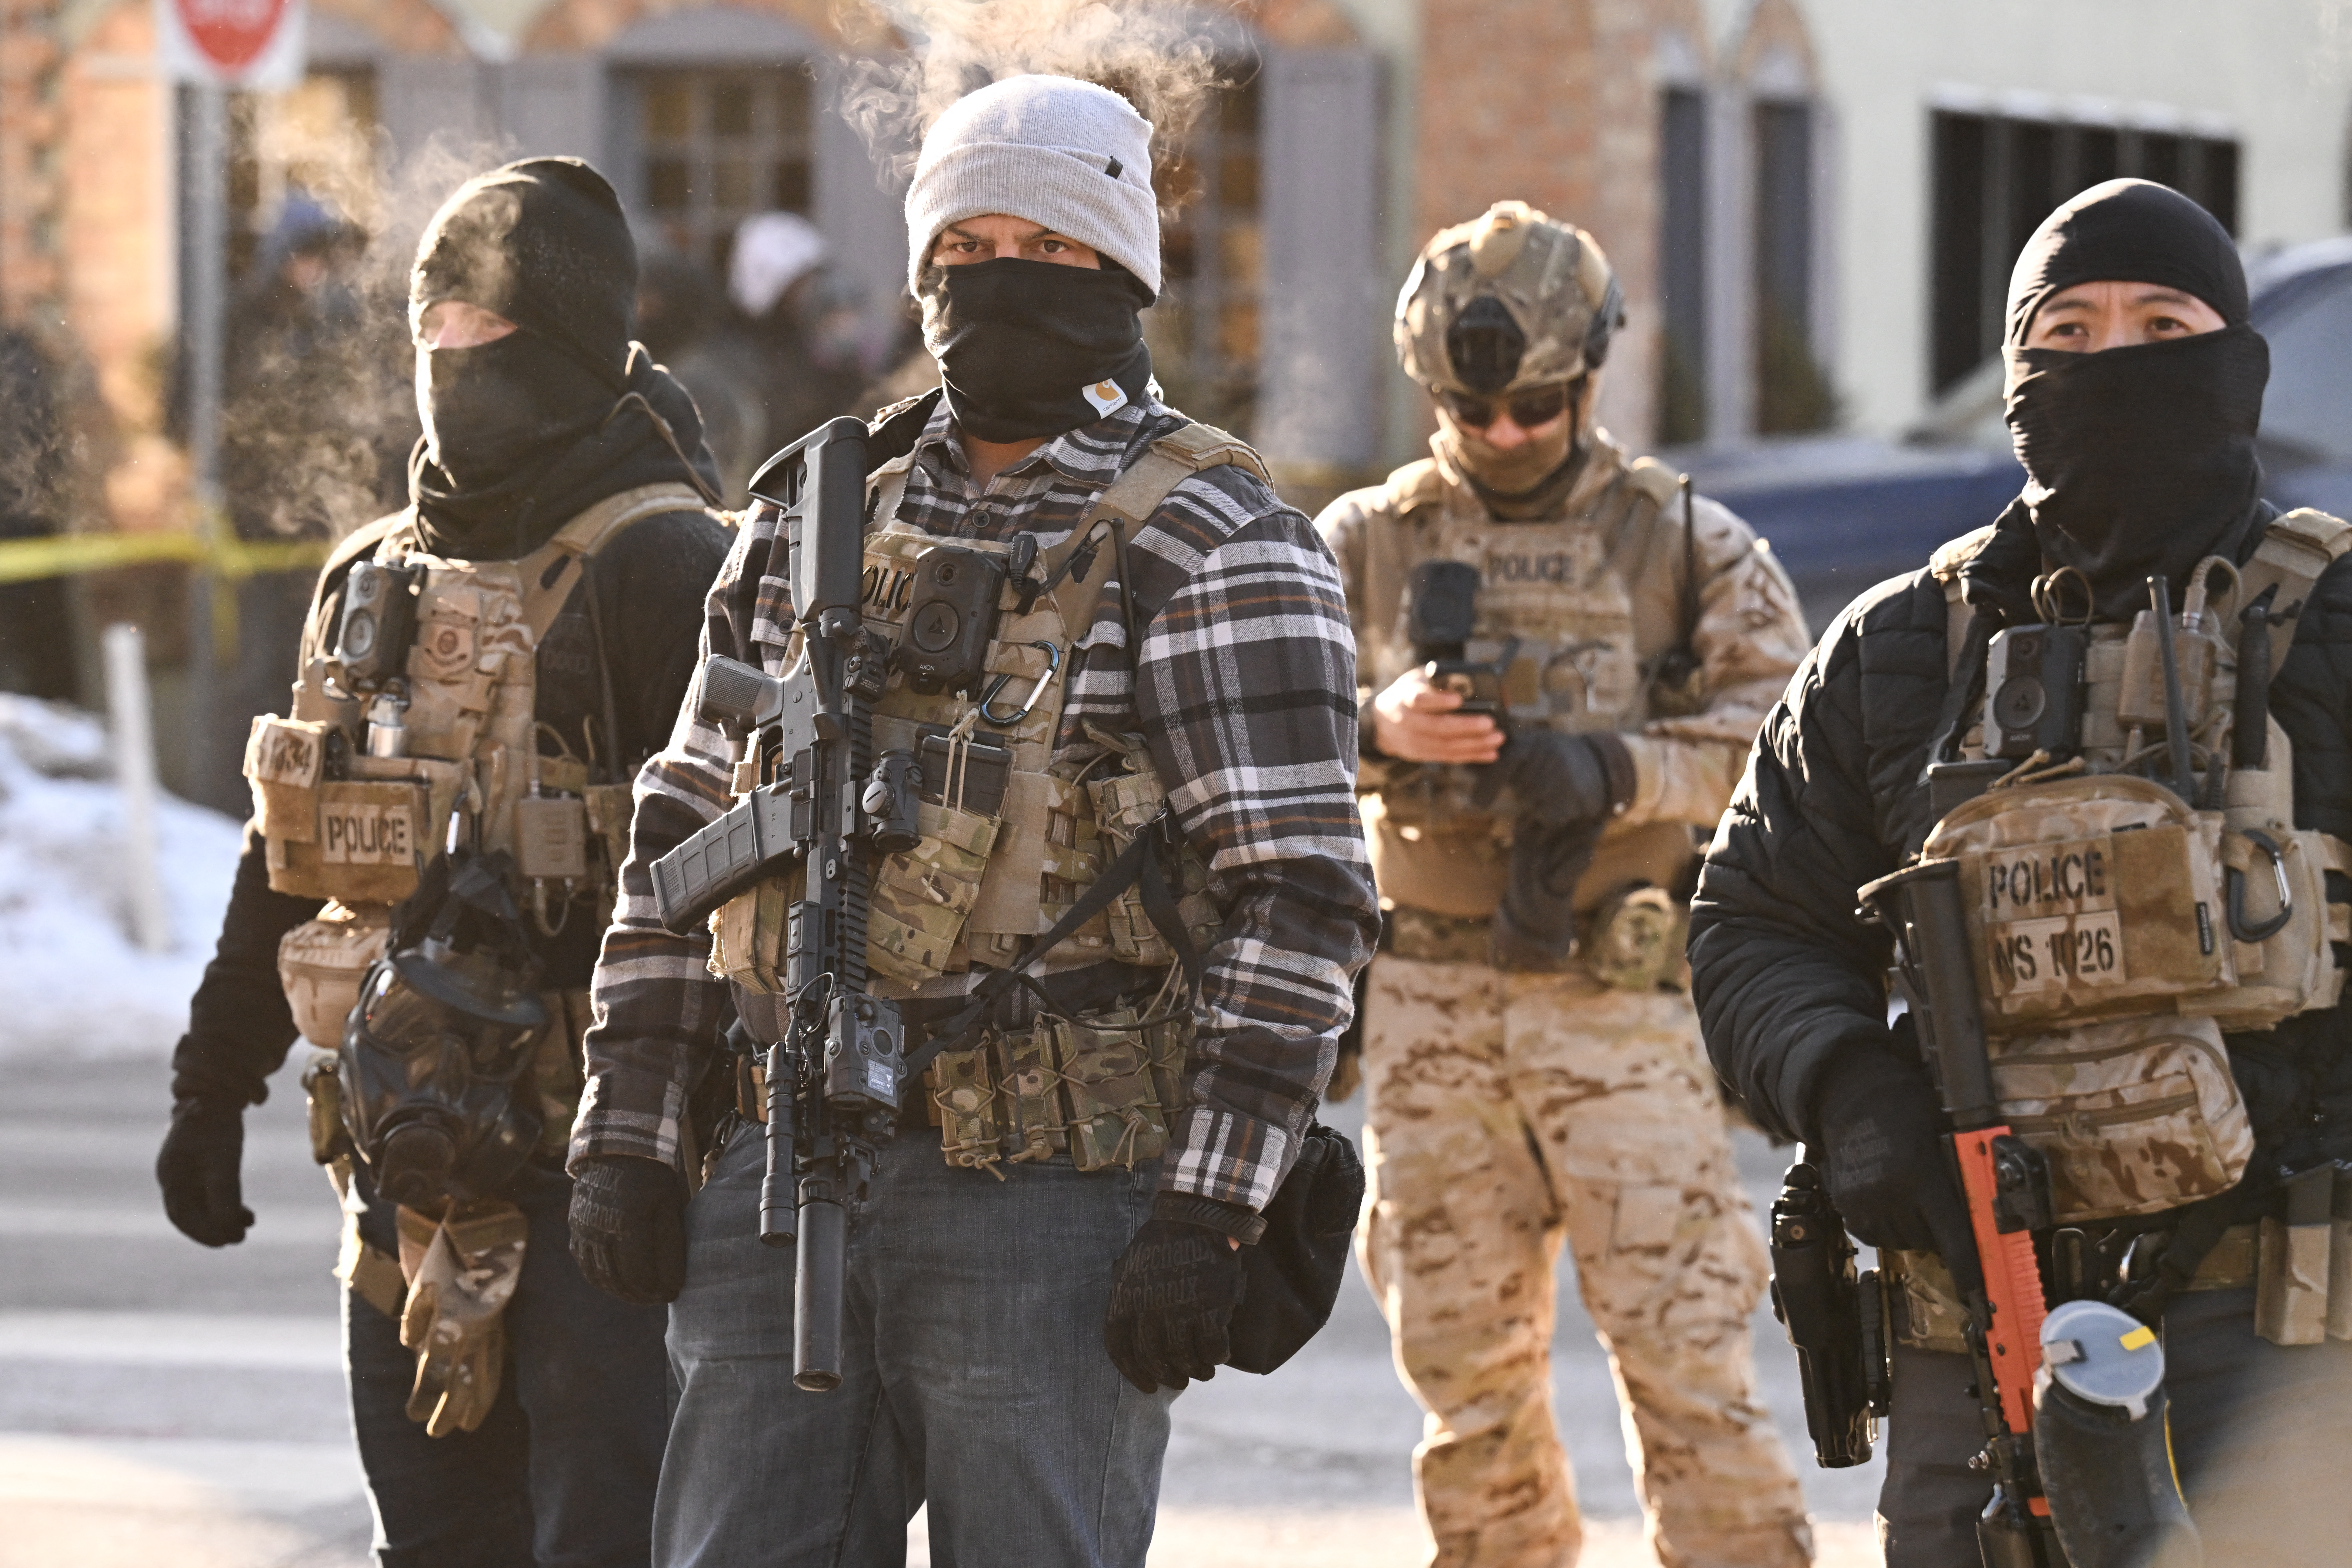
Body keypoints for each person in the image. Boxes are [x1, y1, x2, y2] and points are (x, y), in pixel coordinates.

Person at [564, 74, 1378, 1568]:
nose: (1000, 279)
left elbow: (1302, 899)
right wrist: (630, 1124)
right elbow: (683, 823)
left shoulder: (1213, 539)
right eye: (966, 246)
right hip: (777, 1164)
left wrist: (1207, 1212)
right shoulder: (813, 512)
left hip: (1050, 1196)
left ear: (1122, 271)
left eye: (1049, 249)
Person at [1691, 177, 2352, 1566]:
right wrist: (1846, 1089)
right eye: (2069, 331)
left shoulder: (2337, 625)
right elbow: (1752, 918)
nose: (2114, 362)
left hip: (2289, 1339)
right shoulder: (1899, 650)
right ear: (2014, 379)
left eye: (2161, 325)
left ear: (2235, 363)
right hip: (1977, 1320)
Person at [154, 157, 732, 1568]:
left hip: (604, 1178)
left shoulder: (667, 567)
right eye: (434, 328)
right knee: (432, 1541)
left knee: (605, 1540)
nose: (453, 359)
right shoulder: (373, 577)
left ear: (573, 344)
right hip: (404, 1174)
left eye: (490, 330)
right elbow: (289, 853)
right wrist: (213, 1083)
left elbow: (748, 910)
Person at [1316, 200, 1817, 1568]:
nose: (1503, 433)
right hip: (1428, 1001)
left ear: (1590, 375)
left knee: (1689, 1363)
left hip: (1615, 993)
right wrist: (1377, 728)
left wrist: (1612, 768)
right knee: (1465, 1386)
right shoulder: (1359, 540)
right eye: (1470, 409)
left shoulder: (1684, 541)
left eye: (1535, 405)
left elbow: (1786, 741)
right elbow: (1249, 727)